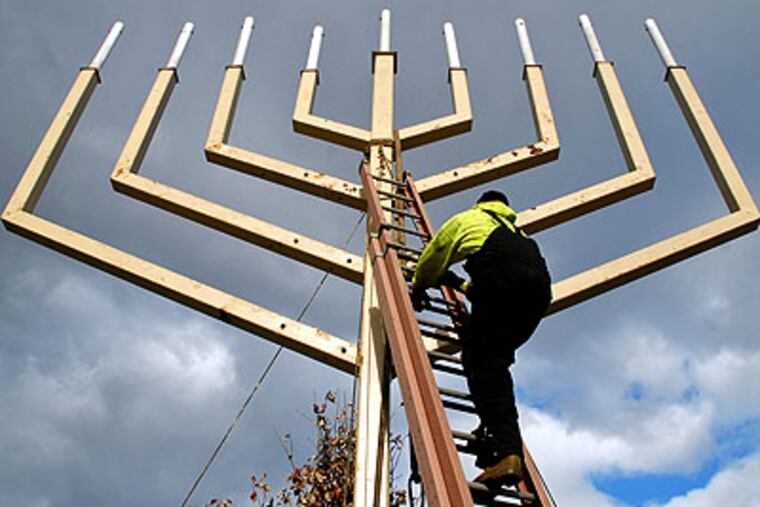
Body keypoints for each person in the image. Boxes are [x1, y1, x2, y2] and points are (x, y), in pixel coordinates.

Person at [410, 190, 551, 486]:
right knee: (492, 362)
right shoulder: (519, 233)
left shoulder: (468, 219)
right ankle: (494, 435)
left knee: (482, 363)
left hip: (502, 290)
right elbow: (497, 288)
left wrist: (419, 284)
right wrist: (458, 283)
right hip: (537, 296)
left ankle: (509, 452)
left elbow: (434, 256)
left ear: (480, 203)